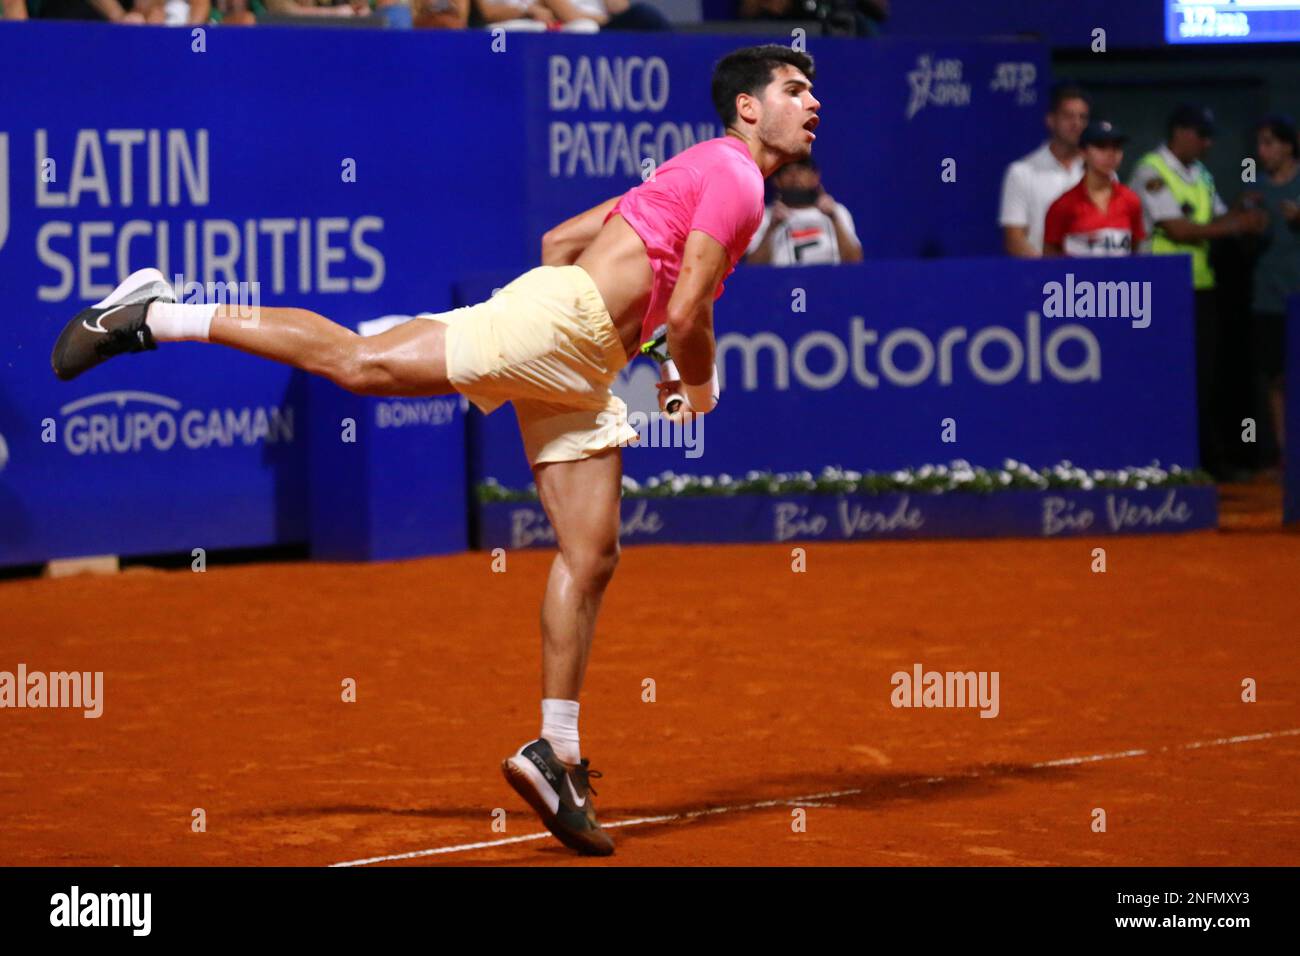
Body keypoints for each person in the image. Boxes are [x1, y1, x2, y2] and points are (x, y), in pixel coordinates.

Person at [49, 44, 819, 857]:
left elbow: (563, 240)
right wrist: (690, 386)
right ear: (746, 107)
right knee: (359, 363)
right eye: (795, 89)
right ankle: (154, 313)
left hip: (582, 352)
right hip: (569, 327)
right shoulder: (737, 178)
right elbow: (690, 312)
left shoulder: (696, 173)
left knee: (591, 554)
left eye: (812, 92)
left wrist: (605, 346)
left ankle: (553, 753)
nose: (812, 104)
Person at [1128, 104, 1267, 478]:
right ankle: (1173, 463)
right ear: (1181, 133)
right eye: (1202, 136)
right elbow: (1178, 230)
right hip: (1160, 291)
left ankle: (1209, 462)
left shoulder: (1200, 173)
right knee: (1169, 378)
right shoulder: (1150, 172)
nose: (1207, 144)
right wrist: (1238, 226)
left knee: (1204, 377)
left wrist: (1238, 211)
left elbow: (1212, 220)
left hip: (1200, 288)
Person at [1245, 114, 1300, 466]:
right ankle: (1285, 453)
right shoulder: (1257, 189)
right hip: (1268, 298)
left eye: (1269, 143)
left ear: (1287, 145)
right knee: (1276, 379)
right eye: (1259, 143)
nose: (1262, 151)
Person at [998, 83, 1089, 257]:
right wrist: (1049, 273)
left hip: (1094, 280)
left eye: (1082, 117)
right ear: (1051, 120)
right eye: (1068, 116)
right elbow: (1014, 239)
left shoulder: (1101, 173)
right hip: (1042, 279)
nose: (1076, 123)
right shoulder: (1022, 172)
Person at [1042, 120, 1143, 258]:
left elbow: (1136, 254)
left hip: (1121, 280)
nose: (1111, 154)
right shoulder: (1063, 205)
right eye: (1101, 146)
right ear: (1083, 152)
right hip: (1078, 280)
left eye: (1116, 147)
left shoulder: (1131, 200)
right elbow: (1049, 261)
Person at [745, 157, 862, 265]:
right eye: (787, 171)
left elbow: (854, 261)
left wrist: (834, 218)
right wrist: (772, 227)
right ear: (777, 180)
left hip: (831, 282)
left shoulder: (837, 211)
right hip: (783, 284)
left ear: (815, 177)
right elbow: (754, 267)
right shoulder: (763, 217)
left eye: (801, 169)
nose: (794, 175)